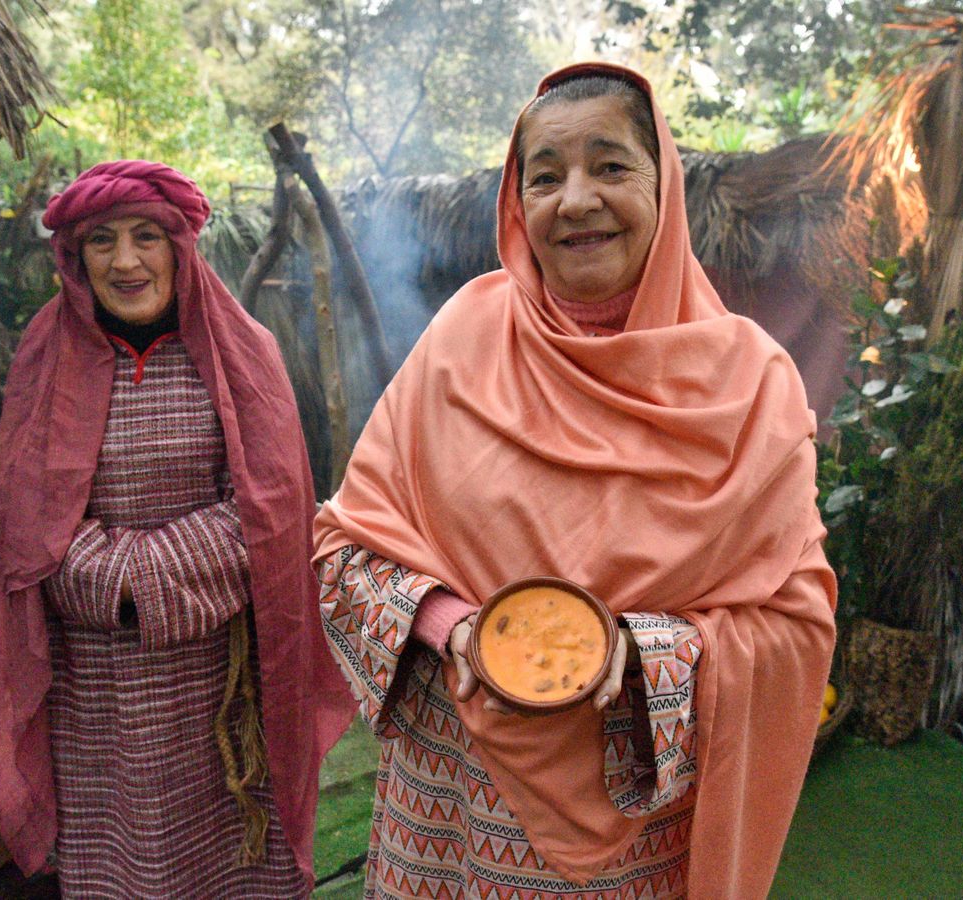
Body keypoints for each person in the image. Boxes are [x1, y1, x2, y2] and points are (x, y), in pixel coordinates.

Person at [314, 64, 837, 897]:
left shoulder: (752, 384)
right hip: (446, 811)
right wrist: (456, 631)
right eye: (546, 176)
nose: (577, 199)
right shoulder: (463, 340)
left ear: (663, 186)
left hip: (631, 837)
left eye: (611, 165)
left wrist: (641, 655)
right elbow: (343, 549)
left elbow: (792, 620)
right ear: (518, 206)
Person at [0, 161, 352, 898]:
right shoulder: (44, 356)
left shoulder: (242, 350)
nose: (125, 261)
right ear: (74, 256)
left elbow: (270, 509)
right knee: (124, 855)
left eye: (147, 237)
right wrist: (114, 588)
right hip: (94, 688)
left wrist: (140, 579)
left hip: (224, 678)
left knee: (237, 850)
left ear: (181, 246)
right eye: (102, 241)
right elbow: (22, 514)